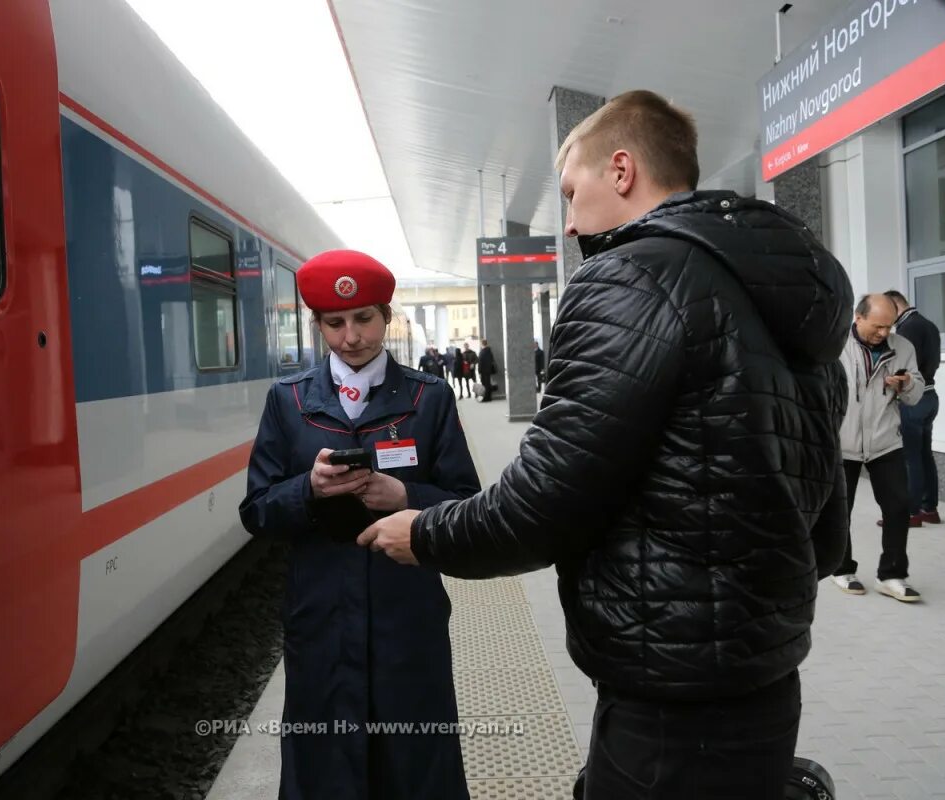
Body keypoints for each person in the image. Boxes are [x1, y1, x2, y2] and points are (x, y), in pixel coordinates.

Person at [357, 90, 851, 799]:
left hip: (669, 690)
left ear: (621, 170)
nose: (565, 221)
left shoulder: (630, 277)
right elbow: (828, 535)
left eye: (570, 191)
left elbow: (544, 504)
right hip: (766, 667)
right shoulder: (788, 292)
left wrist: (426, 533)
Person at [239, 249, 480, 800]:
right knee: (325, 763)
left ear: (386, 316)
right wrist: (309, 489)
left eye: (364, 318)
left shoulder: (428, 398)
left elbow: (467, 505)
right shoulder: (288, 402)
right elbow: (257, 511)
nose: (351, 337)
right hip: (321, 617)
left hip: (407, 615)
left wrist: (406, 495)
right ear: (318, 324)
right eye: (335, 322)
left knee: (416, 759)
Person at [831, 294, 925, 602]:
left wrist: (908, 382)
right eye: (878, 326)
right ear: (858, 318)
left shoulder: (904, 348)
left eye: (889, 326)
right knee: (840, 511)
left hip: (885, 442)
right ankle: (842, 569)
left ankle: (892, 575)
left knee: (899, 508)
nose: (885, 333)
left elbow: (915, 394)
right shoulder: (833, 344)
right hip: (842, 444)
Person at [885, 289, 942, 525]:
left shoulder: (906, 329)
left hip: (914, 397)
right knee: (924, 453)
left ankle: (911, 513)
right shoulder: (929, 325)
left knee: (910, 457)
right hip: (931, 397)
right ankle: (930, 509)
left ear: (895, 306)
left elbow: (903, 368)